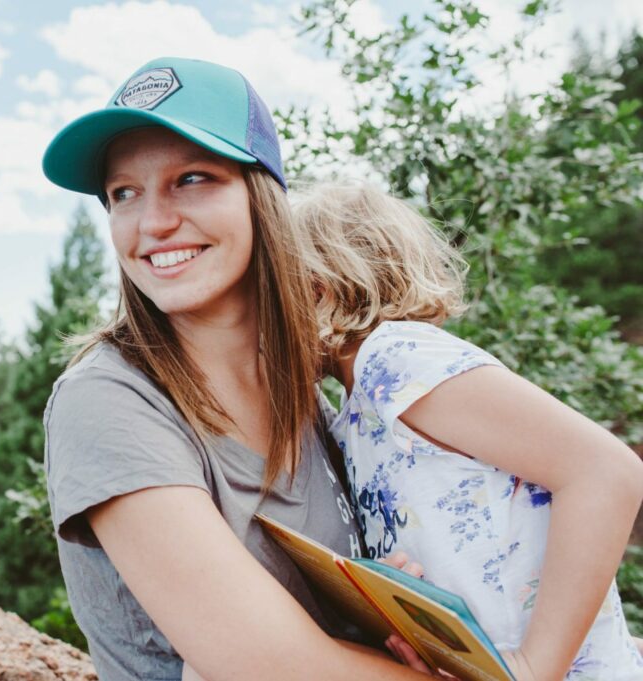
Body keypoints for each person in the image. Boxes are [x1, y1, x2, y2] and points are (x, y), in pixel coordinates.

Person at [40, 57, 429, 681]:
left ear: (261, 196)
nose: (153, 222)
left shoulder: (304, 393)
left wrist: (383, 611)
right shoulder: (108, 401)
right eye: (123, 193)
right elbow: (266, 666)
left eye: (191, 178)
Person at [291, 182, 643, 679]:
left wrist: (533, 666)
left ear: (317, 291)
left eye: (265, 300)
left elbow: (607, 472)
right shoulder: (354, 412)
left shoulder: (392, 357)